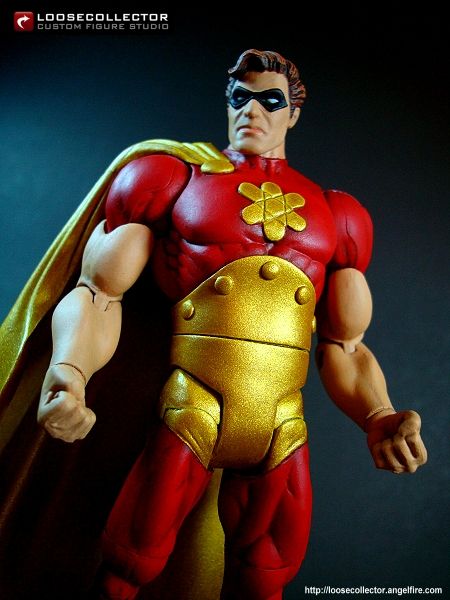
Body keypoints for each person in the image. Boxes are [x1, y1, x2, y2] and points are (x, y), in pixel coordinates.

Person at [36, 49, 427, 600]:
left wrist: (378, 414)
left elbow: (345, 344)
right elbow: (99, 293)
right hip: (191, 405)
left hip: (281, 420)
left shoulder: (339, 216)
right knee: (131, 561)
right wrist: (69, 372)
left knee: (267, 574)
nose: (251, 110)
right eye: (239, 97)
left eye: (270, 100)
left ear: (293, 113)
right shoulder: (169, 179)